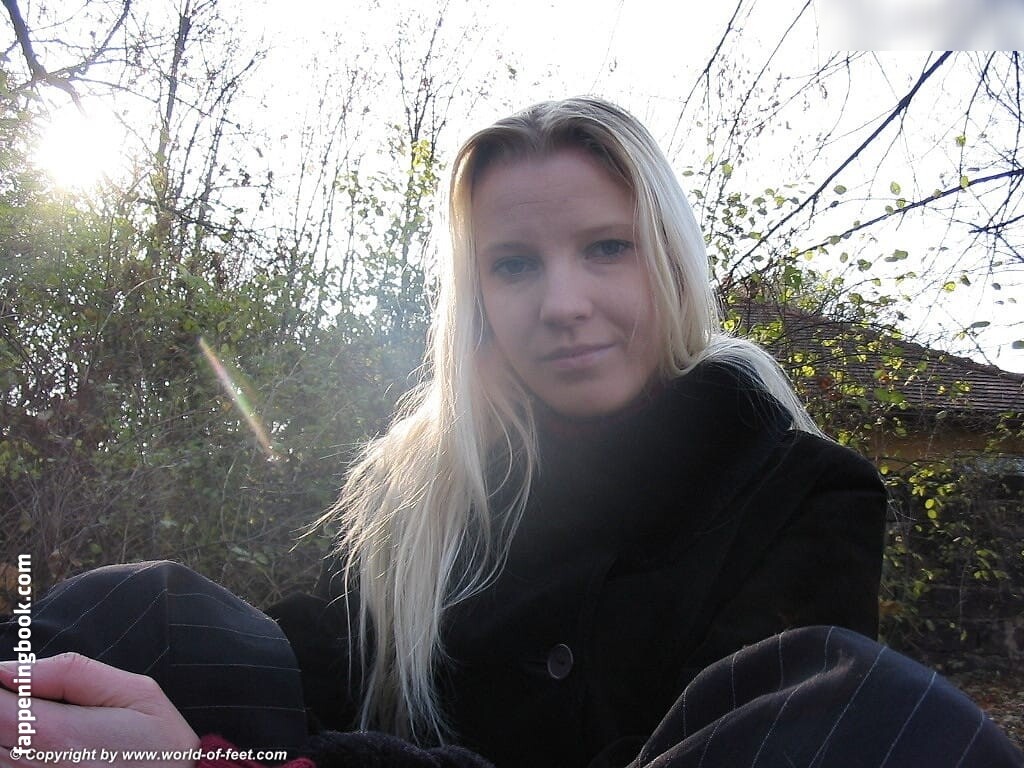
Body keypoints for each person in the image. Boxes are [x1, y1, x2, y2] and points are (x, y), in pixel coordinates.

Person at [2, 97, 1021, 768]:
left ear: (669, 261)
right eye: (516, 264)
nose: (563, 304)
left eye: (606, 248)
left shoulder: (800, 491)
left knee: (882, 709)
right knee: (147, 611)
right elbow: (316, 660)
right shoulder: (424, 485)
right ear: (478, 294)